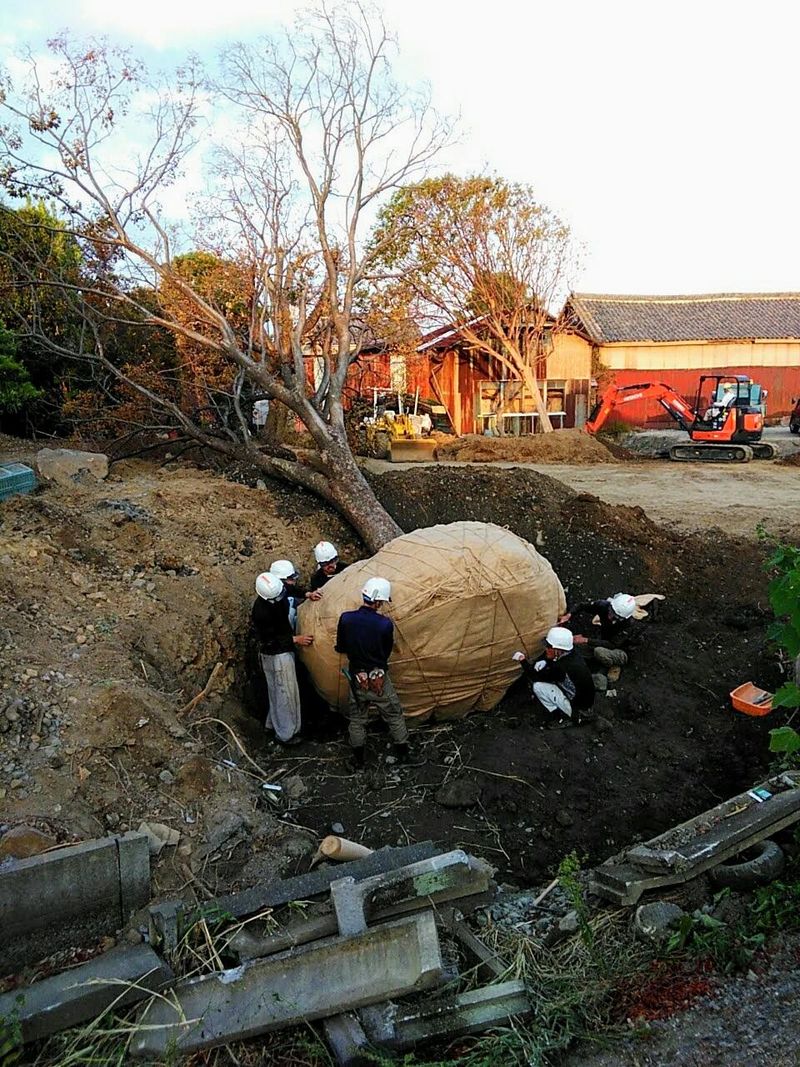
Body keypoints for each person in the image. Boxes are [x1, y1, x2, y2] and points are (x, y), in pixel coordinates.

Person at [335, 577, 409, 768]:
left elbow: (341, 646)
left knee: (357, 719)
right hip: (379, 680)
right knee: (393, 715)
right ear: (378, 601)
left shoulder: (346, 618)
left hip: (357, 678)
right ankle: (404, 754)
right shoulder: (384, 624)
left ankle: (358, 760)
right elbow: (385, 653)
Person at [251, 571, 313, 744]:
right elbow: (269, 640)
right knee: (285, 693)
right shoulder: (261, 613)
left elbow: (288, 590)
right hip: (276, 656)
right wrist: (295, 639)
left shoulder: (276, 590)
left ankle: (272, 724)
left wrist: (306, 594)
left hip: (279, 653)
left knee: (276, 692)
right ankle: (286, 734)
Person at [512, 626, 595, 727]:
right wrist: (546, 660)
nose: (546, 649)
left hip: (578, 709)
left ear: (558, 650)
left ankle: (564, 716)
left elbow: (535, 676)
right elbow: (553, 660)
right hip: (586, 702)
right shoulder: (572, 654)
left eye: (549, 647)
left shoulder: (561, 668)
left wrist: (522, 660)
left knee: (538, 687)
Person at [559, 592, 641, 678]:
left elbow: (612, 644)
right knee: (576, 646)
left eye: (615, 617)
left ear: (623, 618)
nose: (610, 617)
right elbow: (581, 606)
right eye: (611, 612)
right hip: (605, 638)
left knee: (599, 652)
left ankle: (612, 664)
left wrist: (586, 640)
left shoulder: (628, 625)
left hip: (621, 648)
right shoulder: (603, 606)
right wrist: (569, 615)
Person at [270, 558, 322, 631]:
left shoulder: (283, 588)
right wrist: (294, 639)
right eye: (291, 579)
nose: (294, 581)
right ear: (280, 580)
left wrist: (308, 594)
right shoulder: (268, 608)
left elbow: (293, 590)